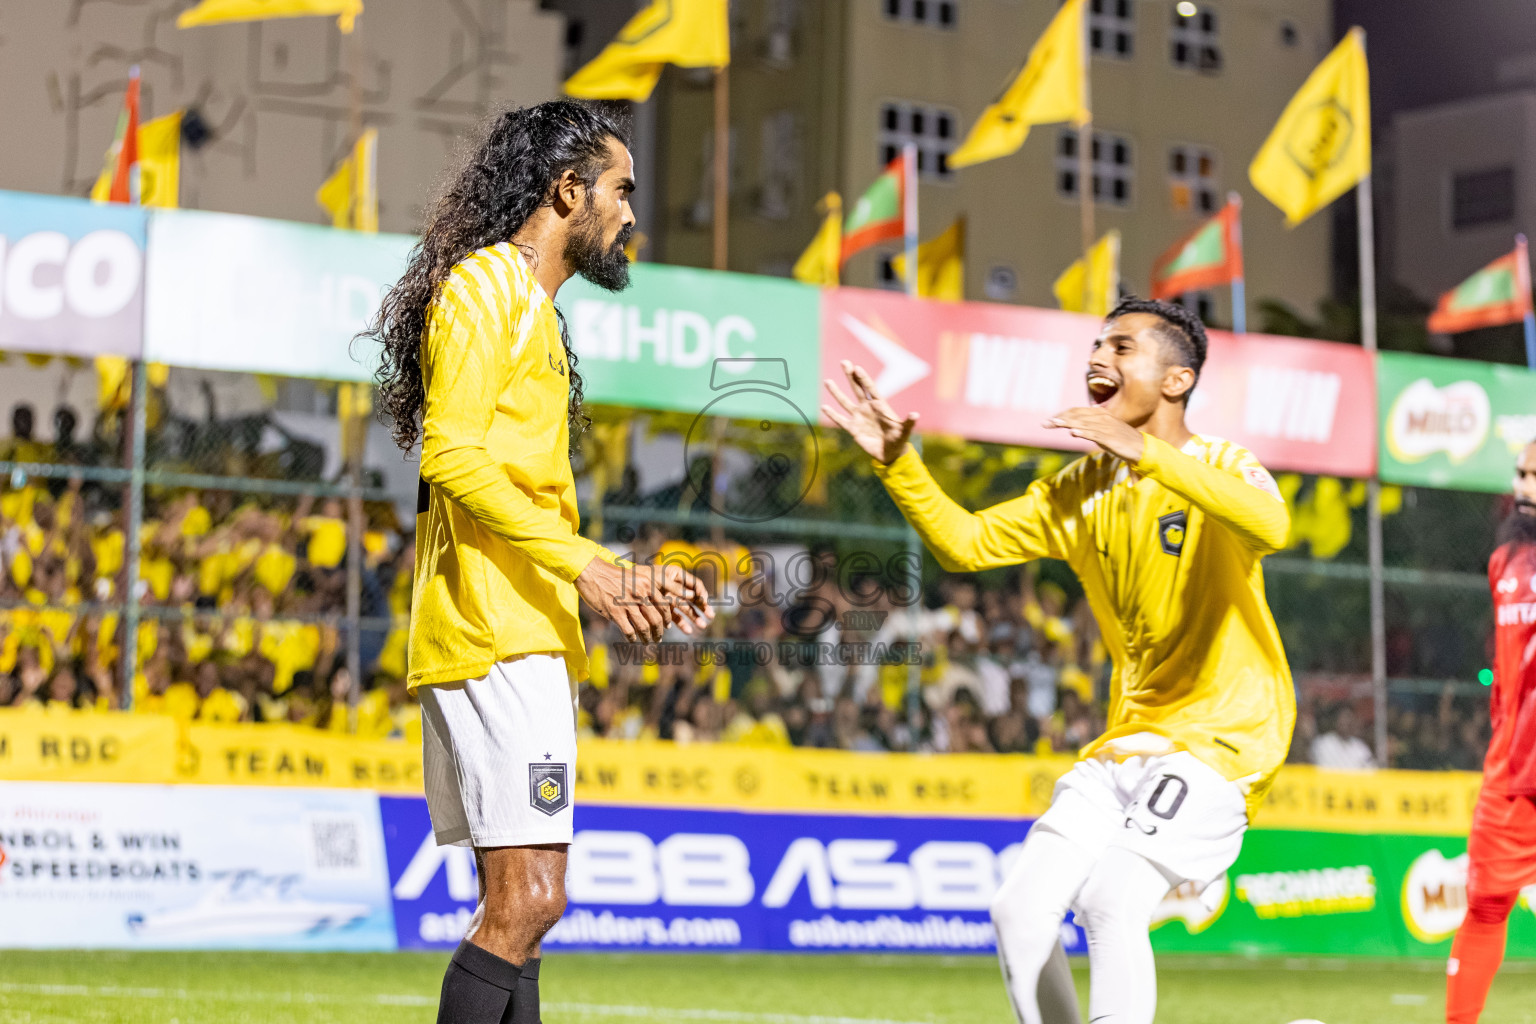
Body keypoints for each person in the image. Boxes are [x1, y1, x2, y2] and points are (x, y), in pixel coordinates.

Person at [823, 297, 1295, 1024]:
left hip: (1224, 737)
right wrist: (897, 463)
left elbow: (1272, 522)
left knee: (1110, 902)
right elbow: (967, 542)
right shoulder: (1082, 489)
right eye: (1097, 345)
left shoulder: (1217, 463)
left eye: (1124, 347)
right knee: (1018, 911)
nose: (1098, 358)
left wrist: (1148, 456)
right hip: (1131, 737)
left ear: (1177, 380)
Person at [369, 100, 713, 1024]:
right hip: (493, 633)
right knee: (528, 903)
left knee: (523, 903)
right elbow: (450, 452)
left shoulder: (534, 311)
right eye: (622, 190)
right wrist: (591, 569)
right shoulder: (487, 286)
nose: (633, 214)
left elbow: (514, 486)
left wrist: (612, 575)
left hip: (525, 628)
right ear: (568, 191)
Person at [1445, 439, 1536, 1023]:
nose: (1524, 485)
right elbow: (1506, 673)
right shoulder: (1507, 559)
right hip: (1514, 771)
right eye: (1521, 473)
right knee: (1485, 904)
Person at [1310, 703, 1375, 769]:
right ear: (1336, 720)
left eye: (1350, 718)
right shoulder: (1322, 743)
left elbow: (1370, 771)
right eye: (1344, 718)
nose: (1347, 722)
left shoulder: (1361, 747)